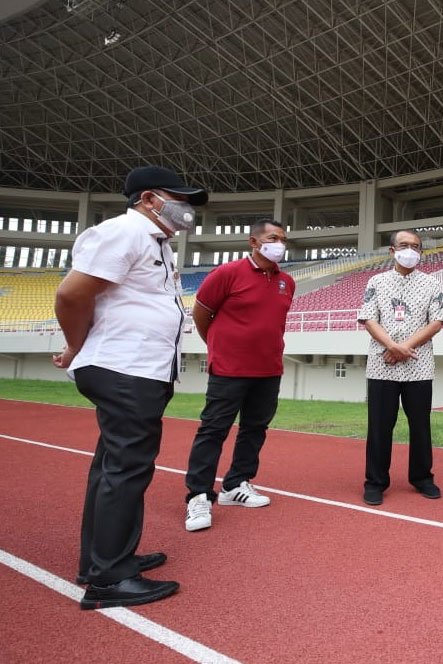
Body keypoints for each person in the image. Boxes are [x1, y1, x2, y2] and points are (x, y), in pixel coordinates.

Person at [53, 165, 208, 609]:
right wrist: (75, 345)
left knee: (112, 467)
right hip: (126, 369)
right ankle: (108, 579)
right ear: (148, 199)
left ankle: (103, 559)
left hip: (139, 368)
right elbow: (70, 295)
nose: (185, 208)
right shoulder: (126, 232)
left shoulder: (154, 242)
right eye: (176, 197)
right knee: (127, 470)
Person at [184, 220, 295, 532]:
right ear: (254, 242)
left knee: (255, 428)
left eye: (283, 239)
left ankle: (236, 484)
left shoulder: (287, 281)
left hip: (269, 368)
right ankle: (199, 495)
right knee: (213, 430)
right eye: (273, 238)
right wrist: (219, 347)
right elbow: (202, 313)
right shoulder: (227, 273)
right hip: (230, 369)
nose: (280, 244)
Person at [357, 230, 443, 506]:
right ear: (392, 250)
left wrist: (403, 348)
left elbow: (437, 322)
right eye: (405, 245)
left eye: (416, 247)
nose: (410, 251)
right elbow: (369, 319)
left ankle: (422, 478)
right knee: (380, 427)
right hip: (382, 366)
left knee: (420, 425)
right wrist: (392, 347)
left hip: (419, 367)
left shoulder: (433, 284)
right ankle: (375, 482)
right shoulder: (376, 281)